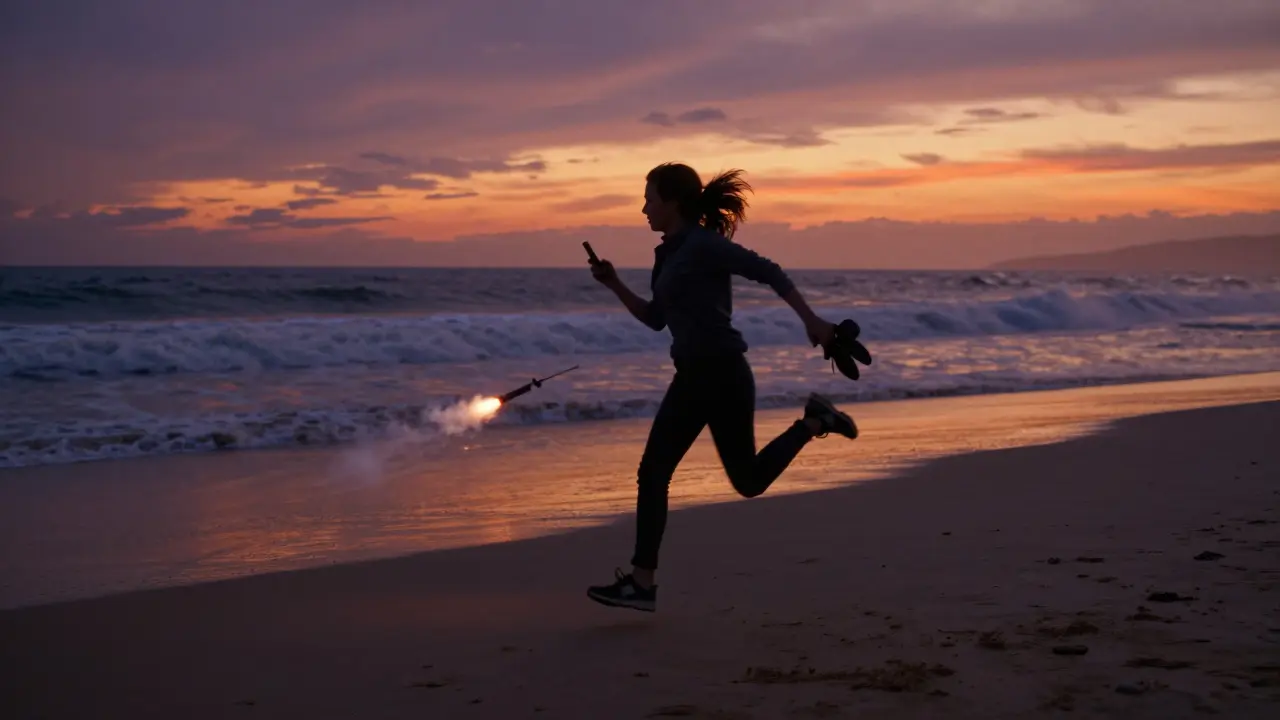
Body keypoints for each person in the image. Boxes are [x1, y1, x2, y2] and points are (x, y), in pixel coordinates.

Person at [585, 161, 864, 613]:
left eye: (650, 199)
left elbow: (768, 270)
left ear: (672, 203)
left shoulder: (703, 245)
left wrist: (812, 321)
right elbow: (658, 320)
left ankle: (815, 423)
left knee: (735, 480)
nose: (643, 208)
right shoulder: (668, 254)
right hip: (693, 376)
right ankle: (642, 583)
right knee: (665, 474)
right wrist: (614, 283)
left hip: (722, 373)